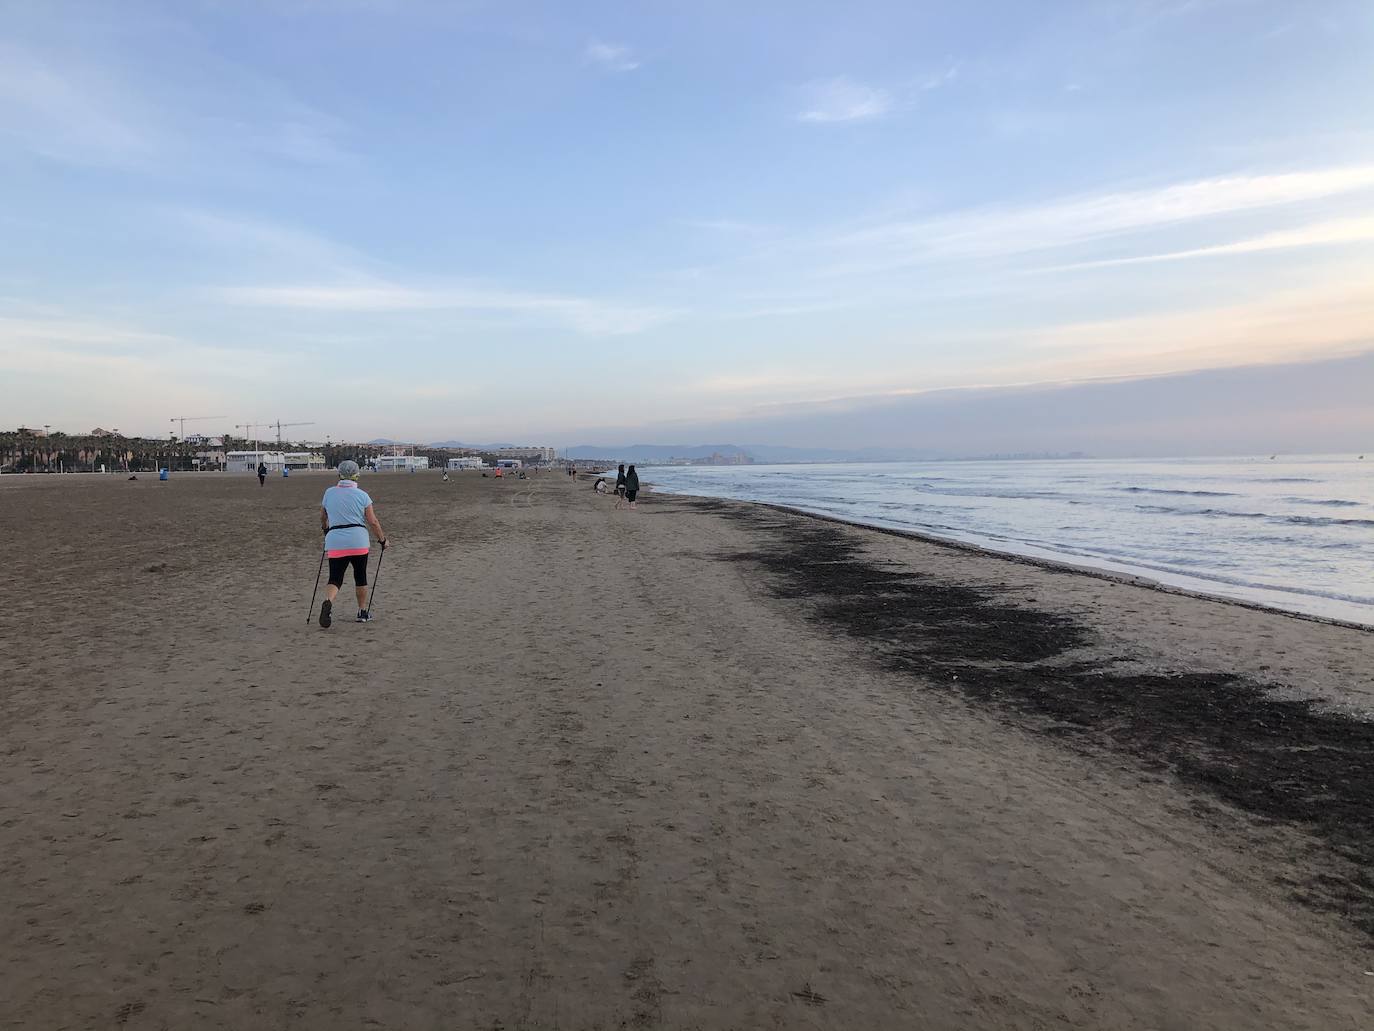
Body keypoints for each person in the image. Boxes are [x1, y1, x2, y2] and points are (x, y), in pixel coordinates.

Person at [318, 460, 387, 628]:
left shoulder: (329, 493)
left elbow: (323, 516)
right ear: (356, 475)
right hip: (358, 541)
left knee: (335, 578)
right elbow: (373, 521)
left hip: (335, 541)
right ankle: (362, 612)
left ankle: (328, 601)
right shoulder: (363, 495)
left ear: (339, 474)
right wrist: (382, 540)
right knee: (360, 576)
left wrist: (326, 530)